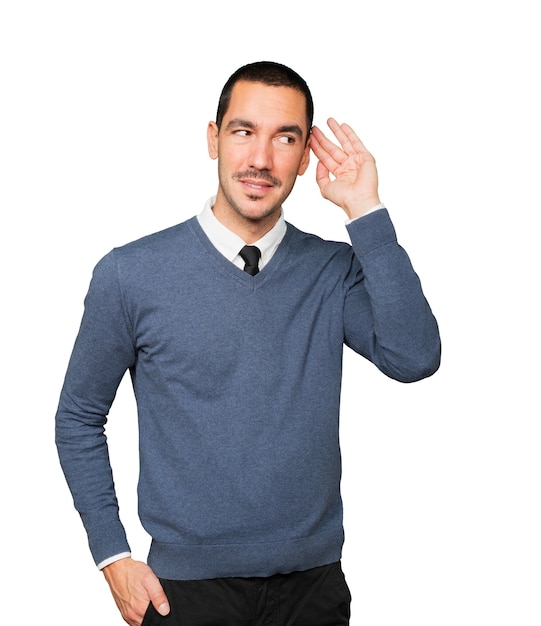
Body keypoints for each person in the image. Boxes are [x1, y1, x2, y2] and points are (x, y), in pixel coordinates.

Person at [55, 60, 441, 626]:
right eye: (243, 132)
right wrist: (112, 554)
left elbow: (415, 358)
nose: (261, 159)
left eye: (284, 138)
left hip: (313, 588)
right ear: (214, 140)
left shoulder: (333, 270)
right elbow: (78, 416)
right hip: (185, 592)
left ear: (306, 155)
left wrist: (366, 211)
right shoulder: (130, 274)